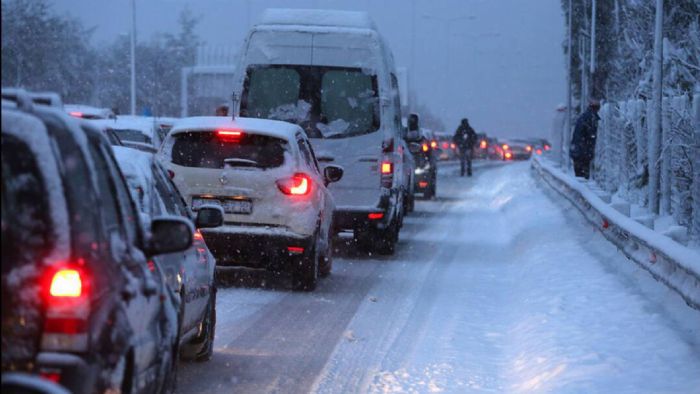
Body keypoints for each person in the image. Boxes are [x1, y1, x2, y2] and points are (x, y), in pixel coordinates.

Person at [569, 99, 601, 179]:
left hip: (578, 150)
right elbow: (591, 134)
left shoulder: (584, 116)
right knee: (583, 176)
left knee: (579, 176)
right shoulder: (591, 118)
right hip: (583, 152)